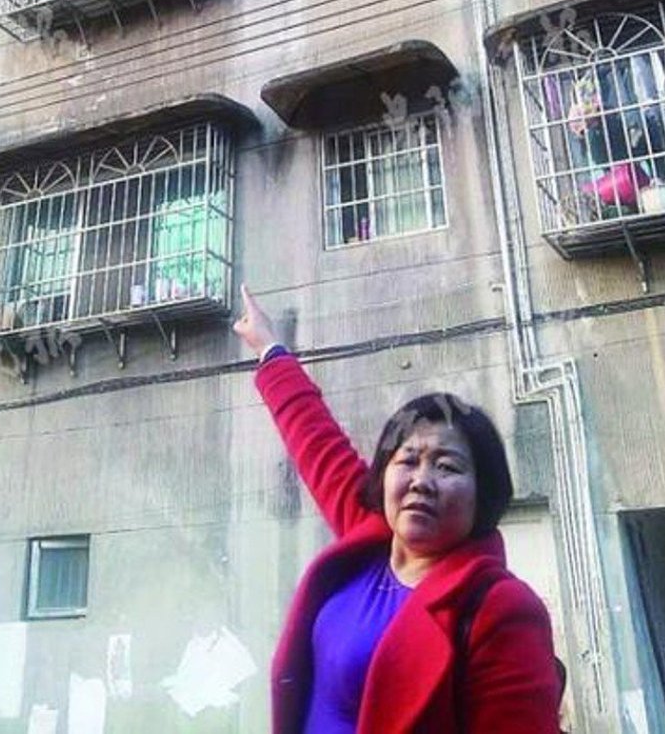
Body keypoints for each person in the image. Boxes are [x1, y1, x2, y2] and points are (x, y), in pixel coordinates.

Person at [234, 285, 564, 734]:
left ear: (482, 493)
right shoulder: (367, 539)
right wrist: (270, 349)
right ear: (384, 475)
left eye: (447, 466)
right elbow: (317, 441)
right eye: (407, 460)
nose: (421, 481)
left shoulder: (501, 608)